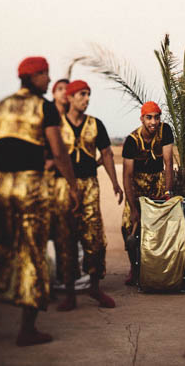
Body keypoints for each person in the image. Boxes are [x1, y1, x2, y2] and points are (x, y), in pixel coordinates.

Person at [0, 57, 80, 347]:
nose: (48, 80)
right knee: (33, 251)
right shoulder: (44, 107)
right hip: (30, 185)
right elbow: (58, 151)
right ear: (33, 77)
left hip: (1, 184)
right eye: (45, 75)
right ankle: (27, 329)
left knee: (1, 244)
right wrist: (73, 186)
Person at [57, 79, 123, 311]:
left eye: (88, 94)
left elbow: (106, 154)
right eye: (82, 94)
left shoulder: (96, 125)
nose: (86, 99)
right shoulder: (57, 125)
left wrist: (115, 183)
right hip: (64, 186)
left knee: (94, 237)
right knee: (67, 238)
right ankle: (70, 293)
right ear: (71, 97)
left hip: (90, 185)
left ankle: (94, 286)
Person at [121, 101, 174, 283]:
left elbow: (168, 163)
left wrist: (168, 193)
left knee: (161, 225)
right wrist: (133, 207)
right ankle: (134, 268)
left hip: (158, 181)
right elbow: (127, 176)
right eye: (149, 117)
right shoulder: (132, 141)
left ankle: (160, 268)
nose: (153, 122)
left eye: (156, 117)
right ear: (142, 119)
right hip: (137, 184)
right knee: (128, 225)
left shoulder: (165, 131)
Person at [45, 77, 79, 303]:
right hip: (47, 182)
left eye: (67, 89)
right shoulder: (46, 114)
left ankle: (69, 288)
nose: (64, 93)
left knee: (66, 237)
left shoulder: (73, 119)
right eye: (59, 89)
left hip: (65, 181)